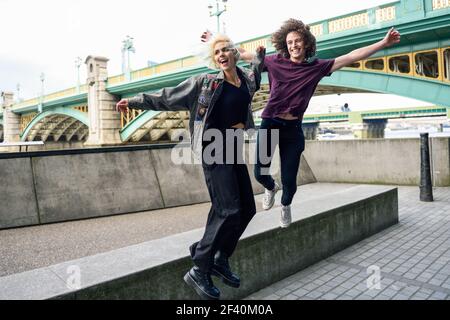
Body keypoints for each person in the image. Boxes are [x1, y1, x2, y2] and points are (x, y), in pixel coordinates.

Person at [116, 34, 265, 300]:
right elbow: (168, 97)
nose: (220, 56)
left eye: (224, 51)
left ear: (233, 53)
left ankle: (219, 258)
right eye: (216, 52)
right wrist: (136, 101)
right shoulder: (204, 83)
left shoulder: (246, 79)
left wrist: (261, 57)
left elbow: (257, 75)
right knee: (228, 209)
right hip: (212, 147)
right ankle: (200, 266)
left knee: (247, 208)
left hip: (233, 146)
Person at [231, 19, 400, 228]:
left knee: (290, 182)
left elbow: (350, 56)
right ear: (286, 45)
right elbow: (242, 54)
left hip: (293, 130)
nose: (294, 46)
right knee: (259, 173)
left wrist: (383, 43)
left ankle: (285, 205)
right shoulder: (274, 62)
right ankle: (271, 187)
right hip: (270, 124)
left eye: (298, 41)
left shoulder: (317, 67)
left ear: (306, 43)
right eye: (290, 42)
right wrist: (215, 41)